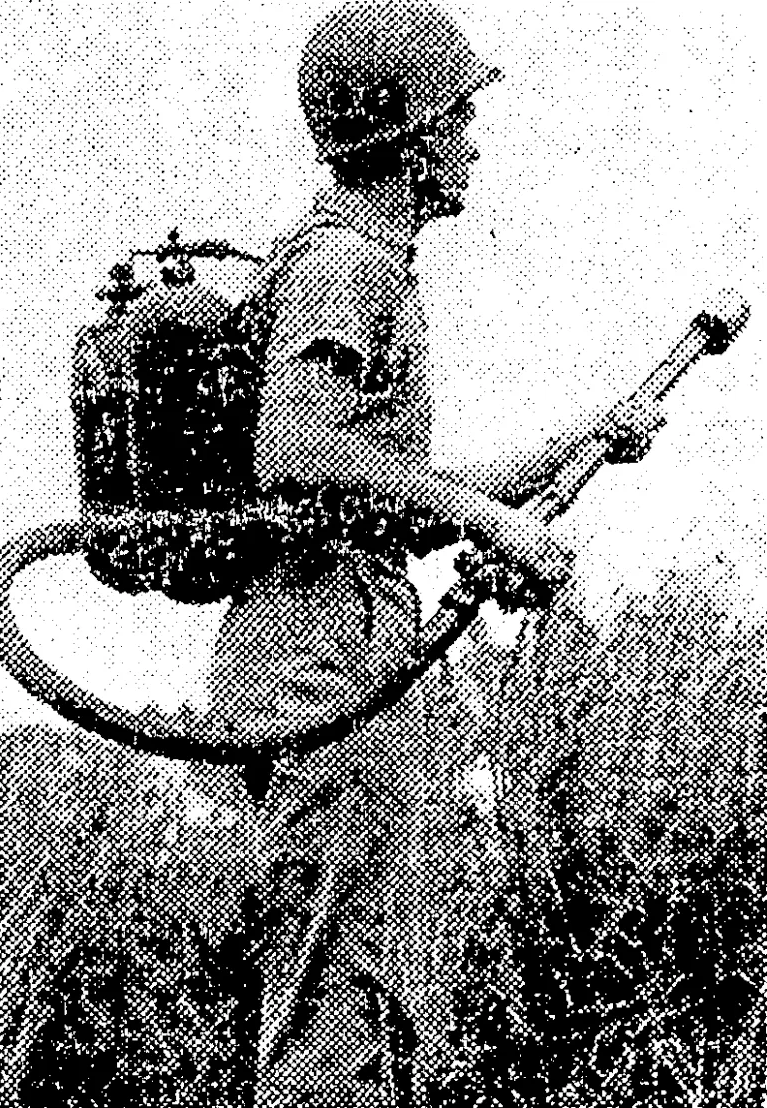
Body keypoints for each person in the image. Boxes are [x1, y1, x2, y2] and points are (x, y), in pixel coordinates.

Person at [205, 3, 585, 1105]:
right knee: (335, 1003)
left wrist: (552, 456)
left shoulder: (363, 265)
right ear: (410, 132)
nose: (472, 141)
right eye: (459, 115)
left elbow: (375, 492)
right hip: (318, 650)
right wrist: (488, 521)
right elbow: (296, 447)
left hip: (346, 637)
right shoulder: (343, 268)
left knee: (372, 987)